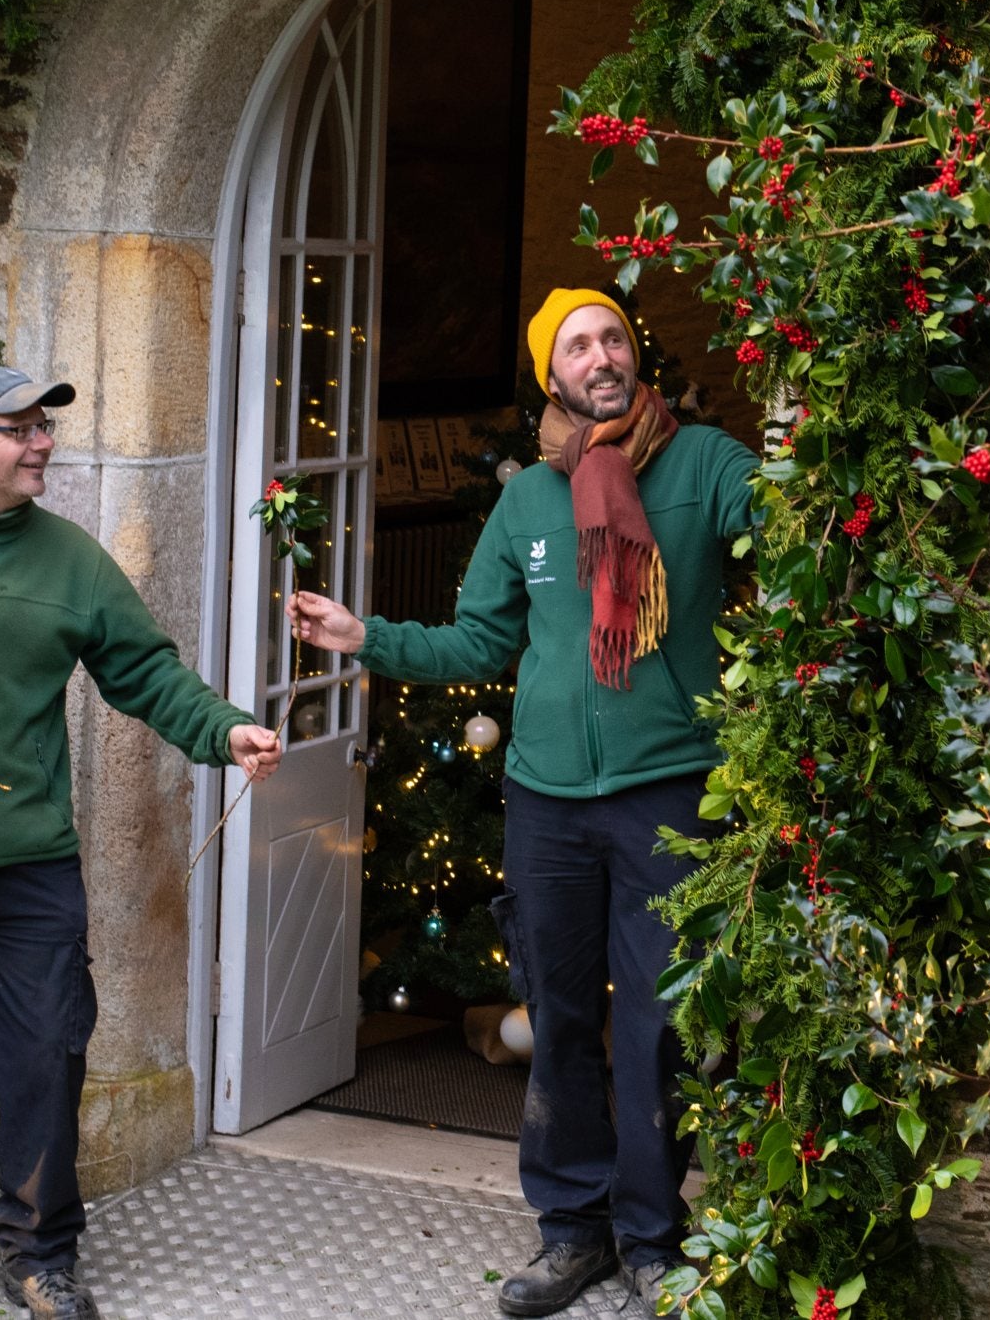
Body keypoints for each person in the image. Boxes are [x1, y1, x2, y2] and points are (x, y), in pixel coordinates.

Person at [286, 290, 757, 1319]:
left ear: (638, 357)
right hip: (545, 802)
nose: (601, 357)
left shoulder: (707, 466)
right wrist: (370, 638)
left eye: (614, 339)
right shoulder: (528, 504)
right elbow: (477, 644)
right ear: (553, 375)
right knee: (559, 1018)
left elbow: (791, 529)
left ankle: (651, 1233)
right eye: (578, 346)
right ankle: (571, 1230)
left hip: (670, 793)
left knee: (662, 1027)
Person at [0, 366, 283, 1320]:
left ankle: (39, 1255)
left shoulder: (72, 560)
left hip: (31, 860)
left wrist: (224, 730)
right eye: (19, 428)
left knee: (46, 1052)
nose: (42, 444)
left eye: (44, 427)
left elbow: (146, 671)